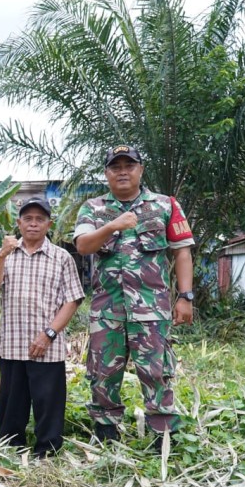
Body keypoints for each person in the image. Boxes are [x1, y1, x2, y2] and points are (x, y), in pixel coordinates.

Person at [74, 145, 195, 448]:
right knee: (103, 373)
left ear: (141, 170)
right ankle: (106, 430)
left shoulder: (165, 205)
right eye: (116, 166)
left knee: (157, 372)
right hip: (108, 310)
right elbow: (84, 246)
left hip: (152, 310)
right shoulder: (94, 207)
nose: (123, 171)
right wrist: (113, 225)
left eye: (130, 165)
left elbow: (182, 252)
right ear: (107, 173)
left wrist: (185, 296)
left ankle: (162, 434)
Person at [0, 196, 84, 457]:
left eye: (40, 219)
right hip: (13, 344)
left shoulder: (61, 257)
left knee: (48, 404)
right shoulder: (5, 254)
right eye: (28, 219)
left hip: (47, 345)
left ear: (49, 224)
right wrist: (3, 254)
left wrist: (49, 333)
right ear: (18, 223)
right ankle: (10, 449)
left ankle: (47, 451)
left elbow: (72, 299)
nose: (33, 224)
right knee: (11, 404)